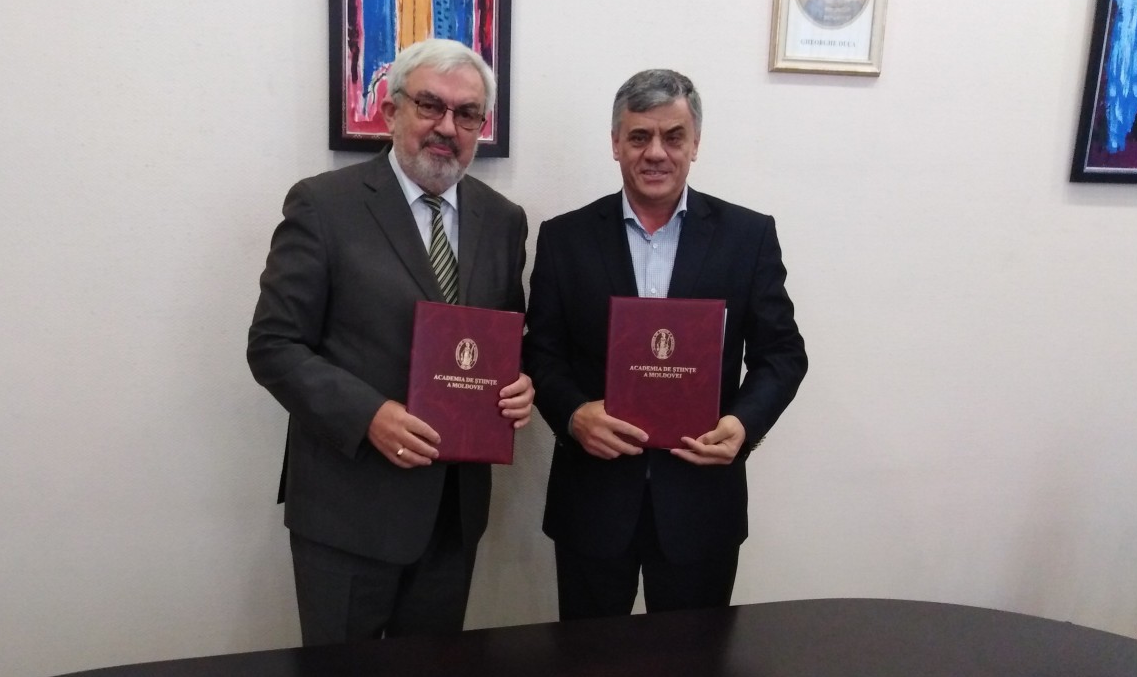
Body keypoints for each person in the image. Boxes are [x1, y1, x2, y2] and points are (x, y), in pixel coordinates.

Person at [248, 38, 533, 645]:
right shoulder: (324, 205)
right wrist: (369, 415)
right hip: (348, 510)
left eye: (467, 114)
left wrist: (521, 384)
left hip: (452, 516)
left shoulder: (504, 219)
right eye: (430, 105)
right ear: (390, 111)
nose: (447, 127)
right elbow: (273, 345)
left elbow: (506, 337)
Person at [522, 69, 806, 620]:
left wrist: (743, 424)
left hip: (702, 502)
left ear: (695, 144)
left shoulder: (748, 237)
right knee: (588, 666)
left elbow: (783, 354)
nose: (656, 152)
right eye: (639, 136)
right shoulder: (564, 238)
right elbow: (541, 352)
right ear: (615, 143)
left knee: (694, 666)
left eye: (673, 137)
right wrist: (574, 414)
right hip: (593, 500)